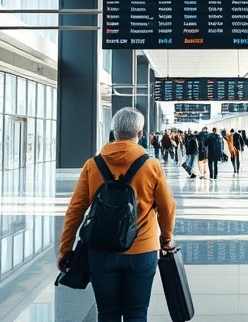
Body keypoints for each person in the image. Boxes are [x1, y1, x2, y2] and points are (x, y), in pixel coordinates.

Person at [58, 107, 176, 322]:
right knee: (137, 313)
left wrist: (66, 248)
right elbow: (167, 207)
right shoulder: (151, 165)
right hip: (142, 250)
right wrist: (166, 238)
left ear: (113, 132)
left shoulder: (92, 165)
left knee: (107, 313)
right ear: (140, 134)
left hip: (100, 250)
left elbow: (75, 209)